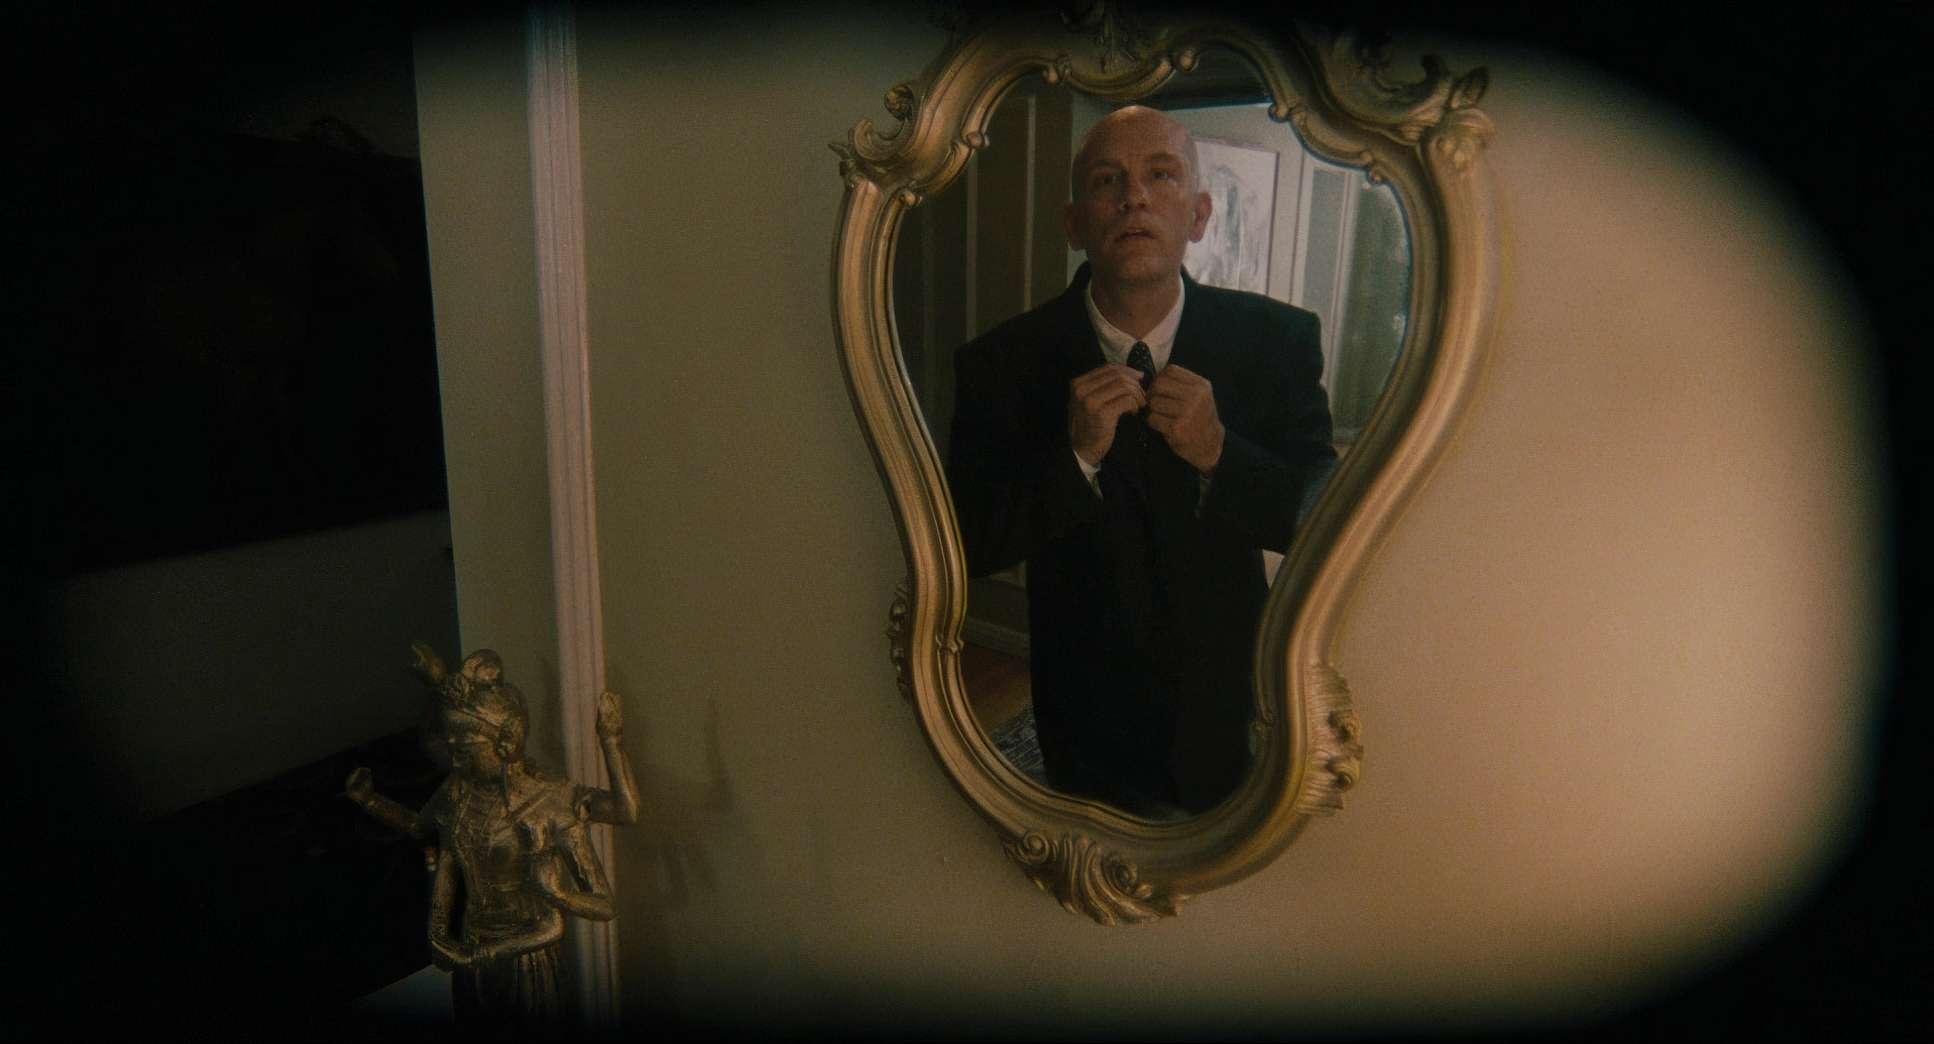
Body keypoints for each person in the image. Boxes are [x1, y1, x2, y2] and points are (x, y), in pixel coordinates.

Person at [947, 105, 1336, 817]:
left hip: (1226, 694)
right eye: (1108, 180)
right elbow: (969, 542)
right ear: (1074, 224)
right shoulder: (999, 363)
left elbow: (1323, 519)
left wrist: (1221, 453)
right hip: (1080, 703)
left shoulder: (1276, 343)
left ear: (1199, 214)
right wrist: (1074, 458)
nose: (1134, 197)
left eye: (1162, 175)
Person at [346, 645, 639, 1035]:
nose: (455, 760)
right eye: (452, 749)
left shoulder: (549, 800)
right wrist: (370, 801)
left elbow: (604, 901)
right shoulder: (458, 793)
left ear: (504, 744)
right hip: (472, 946)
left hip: (527, 960)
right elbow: (421, 828)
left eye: (465, 751)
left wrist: (611, 743)